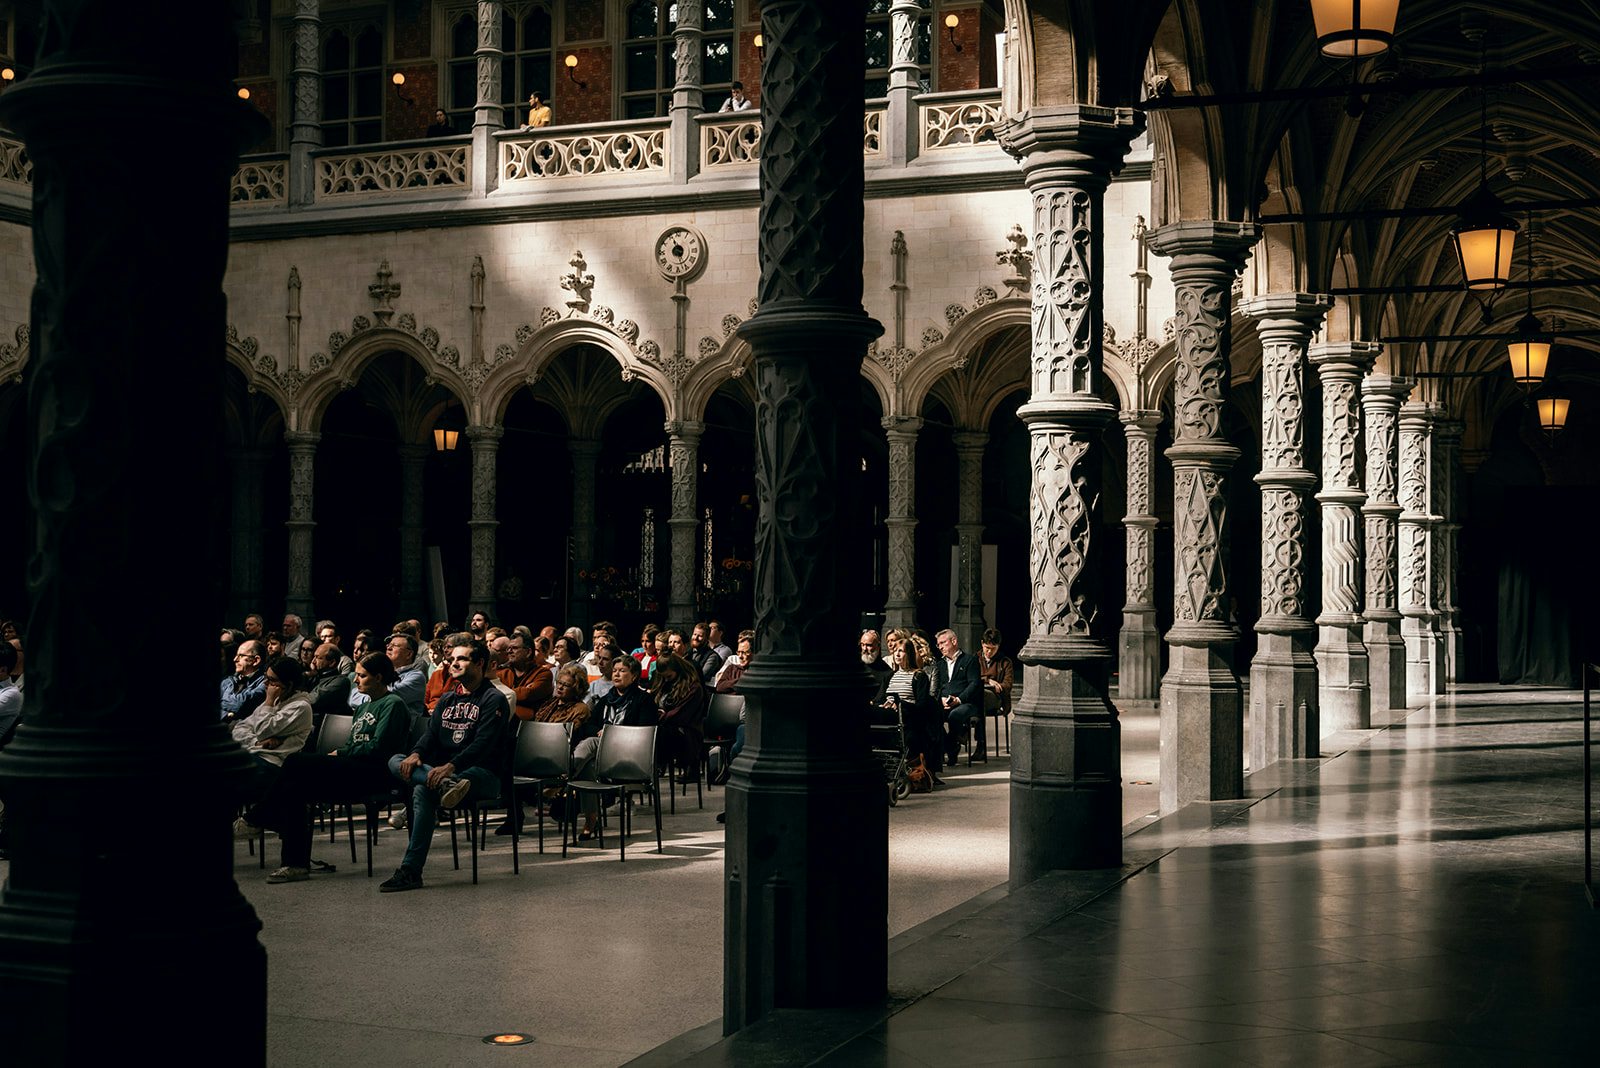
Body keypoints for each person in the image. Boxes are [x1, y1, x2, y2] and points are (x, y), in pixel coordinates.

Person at [247, 651, 412, 883]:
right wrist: (343, 752)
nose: (355, 680)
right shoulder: (364, 707)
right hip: (353, 768)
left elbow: (379, 749)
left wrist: (341, 753)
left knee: (295, 761)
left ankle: (257, 817)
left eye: (362, 676)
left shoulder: (393, 704)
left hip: (375, 773)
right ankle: (295, 865)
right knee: (297, 788)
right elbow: (355, 742)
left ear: (379, 677)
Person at [381, 639, 510, 892]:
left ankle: (411, 870)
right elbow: (430, 736)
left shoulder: (493, 699)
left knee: (422, 789)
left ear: (480, 663)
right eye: (452, 659)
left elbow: (483, 745)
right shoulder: (447, 699)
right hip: (446, 775)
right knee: (395, 760)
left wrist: (450, 767)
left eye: (461, 659)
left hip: (482, 774)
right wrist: (416, 754)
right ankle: (445, 786)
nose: (453, 663)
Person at [570, 654, 656, 841]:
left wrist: (611, 734)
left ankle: (566, 774)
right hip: (603, 754)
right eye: (615, 670)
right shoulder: (606, 699)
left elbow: (643, 733)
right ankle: (591, 820)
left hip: (630, 755)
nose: (616, 674)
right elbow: (590, 726)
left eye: (622, 671)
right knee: (588, 768)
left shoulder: (643, 700)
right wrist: (602, 731)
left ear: (633, 676)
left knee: (590, 744)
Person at [230, 657, 315, 803]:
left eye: (272, 680)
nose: (266, 684)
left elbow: (263, 729)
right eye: (265, 678)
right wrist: (256, 742)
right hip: (255, 755)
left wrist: (268, 702)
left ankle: (245, 822)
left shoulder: (300, 707)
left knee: (223, 780)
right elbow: (239, 729)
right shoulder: (276, 700)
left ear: (288, 685)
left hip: (274, 766)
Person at [875, 636, 941, 786]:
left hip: (908, 717)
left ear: (909, 654)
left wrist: (901, 704)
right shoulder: (890, 676)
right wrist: (881, 704)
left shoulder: (919, 676)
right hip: (888, 714)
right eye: (896, 651)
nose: (897, 654)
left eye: (902, 651)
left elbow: (922, 705)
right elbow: (879, 699)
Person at [650, 652, 706, 774]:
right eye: (663, 677)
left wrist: (659, 716)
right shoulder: (664, 683)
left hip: (686, 731)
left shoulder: (693, 687)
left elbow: (680, 714)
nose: (665, 679)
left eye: (669, 676)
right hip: (664, 724)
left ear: (678, 670)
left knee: (658, 733)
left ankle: (657, 764)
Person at [935, 628, 985, 764]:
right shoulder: (939, 664)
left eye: (943, 643)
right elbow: (936, 687)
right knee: (930, 716)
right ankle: (951, 746)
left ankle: (951, 749)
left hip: (966, 703)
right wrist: (941, 699)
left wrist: (958, 699)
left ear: (954, 641)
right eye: (938, 644)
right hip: (944, 702)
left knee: (955, 715)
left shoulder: (970, 660)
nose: (940, 647)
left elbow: (974, 684)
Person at [221, 639, 269, 720]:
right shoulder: (227, 681)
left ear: (256, 660)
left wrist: (222, 701)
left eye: (241, 656)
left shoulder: (266, 682)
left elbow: (241, 704)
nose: (235, 659)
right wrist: (227, 715)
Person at [979, 627, 1014, 724]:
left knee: (980, 695)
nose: (989, 652)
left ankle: (974, 728)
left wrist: (994, 687)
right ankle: (979, 736)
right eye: (987, 648)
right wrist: (988, 681)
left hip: (996, 698)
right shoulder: (974, 659)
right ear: (982, 643)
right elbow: (970, 680)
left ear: (998, 646)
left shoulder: (1005, 662)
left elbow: (1007, 685)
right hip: (977, 694)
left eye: (993, 649)